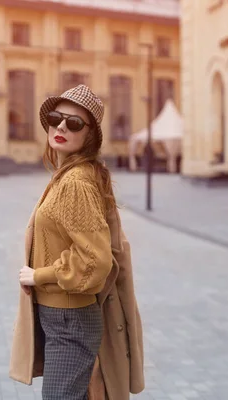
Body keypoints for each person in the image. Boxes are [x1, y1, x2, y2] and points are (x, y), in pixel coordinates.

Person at [9, 85, 145, 399]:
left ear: (89, 137)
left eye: (74, 124)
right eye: (57, 118)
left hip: (71, 319)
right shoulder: (68, 176)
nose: (61, 127)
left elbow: (95, 261)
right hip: (64, 317)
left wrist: (39, 275)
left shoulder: (75, 183)